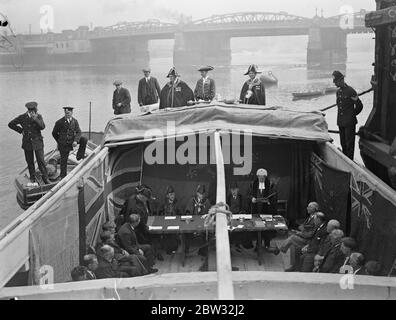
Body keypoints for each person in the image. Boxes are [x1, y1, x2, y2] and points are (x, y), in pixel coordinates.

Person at [8, 101, 49, 184]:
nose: (34, 112)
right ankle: (33, 178)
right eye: (33, 110)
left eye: (34, 110)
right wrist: (21, 130)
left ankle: (46, 178)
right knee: (30, 162)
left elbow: (42, 127)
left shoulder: (39, 116)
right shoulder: (22, 117)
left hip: (38, 142)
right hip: (27, 143)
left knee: (41, 161)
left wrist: (35, 119)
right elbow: (11, 124)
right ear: (29, 110)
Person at [332, 70, 363, 160]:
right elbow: (339, 106)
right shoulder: (338, 92)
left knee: (349, 144)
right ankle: (345, 160)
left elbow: (359, 105)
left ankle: (350, 161)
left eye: (336, 82)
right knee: (343, 143)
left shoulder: (351, 91)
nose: (335, 84)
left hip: (349, 123)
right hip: (341, 122)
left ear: (341, 80)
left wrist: (352, 115)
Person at [52, 107, 87, 179]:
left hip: (72, 140)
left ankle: (79, 155)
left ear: (72, 113)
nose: (67, 114)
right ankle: (63, 177)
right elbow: (54, 133)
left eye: (68, 113)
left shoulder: (75, 121)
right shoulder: (59, 122)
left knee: (84, 139)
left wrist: (76, 140)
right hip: (63, 144)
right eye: (66, 113)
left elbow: (79, 132)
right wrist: (60, 141)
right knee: (63, 161)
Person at [248, 168, 278, 251]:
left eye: (263, 177)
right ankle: (258, 245)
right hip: (256, 209)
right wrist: (252, 198)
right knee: (258, 228)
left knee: (267, 228)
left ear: (265, 177)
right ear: (257, 176)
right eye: (259, 177)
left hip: (267, 210)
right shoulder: (253, 184)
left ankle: (267, 244)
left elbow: (274, 196)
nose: (261, 179)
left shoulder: (270, 185)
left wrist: (269, 201)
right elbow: (249, 194)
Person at [158, 186, 181, 254]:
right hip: (165, 222)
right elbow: (159, 213)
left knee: (173, 235)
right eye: (170, 194)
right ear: (167, 195)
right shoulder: (163, 203)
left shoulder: (177, 203)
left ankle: (174, 247)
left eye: (173, 194)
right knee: (167, 235)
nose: (172, 196)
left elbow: (180, 213)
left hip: (175, 222)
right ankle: (167, 248)